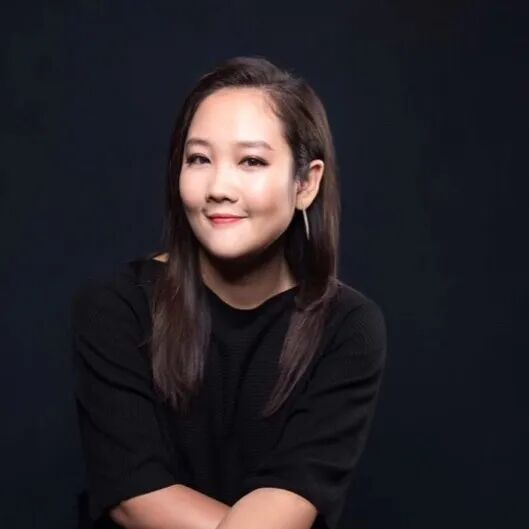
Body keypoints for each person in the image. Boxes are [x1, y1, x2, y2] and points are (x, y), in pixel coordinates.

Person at [71, 56, 387, 529]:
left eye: (251, 161)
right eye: (199, 159)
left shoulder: (347, 327)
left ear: (306, 183)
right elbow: (135, 497)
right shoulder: (116, 307)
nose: (219, 187)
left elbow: (289, 501)